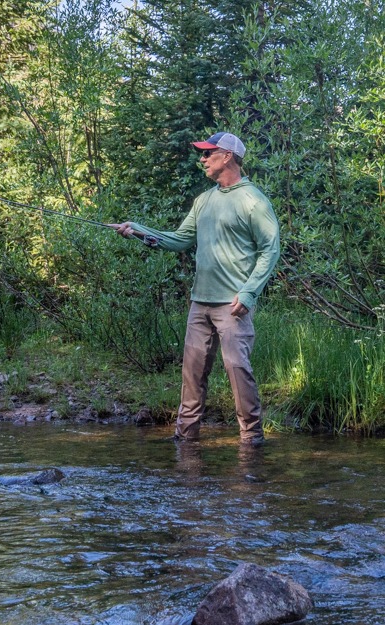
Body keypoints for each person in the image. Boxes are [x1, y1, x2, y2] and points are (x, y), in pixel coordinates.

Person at [110, 132, 280, 445]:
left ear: (227, 156)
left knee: (238, 369)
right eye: (201, 154)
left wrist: (249, 292)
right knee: (192, 375)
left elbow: (271, 248)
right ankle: (185, 439)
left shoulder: (253, 200)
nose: (202, 159)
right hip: (199, 303)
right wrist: (136, 230)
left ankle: (252, 440)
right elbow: (179, 240)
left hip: (233, 305)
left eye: (207, 153)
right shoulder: (203, 201)